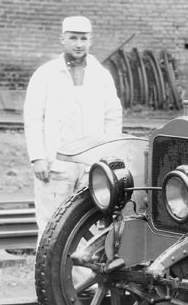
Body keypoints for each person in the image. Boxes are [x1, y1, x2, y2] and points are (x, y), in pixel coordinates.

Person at [24, 16, 122, 240]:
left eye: (84, 38)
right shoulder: (46, 74)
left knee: (87, 225)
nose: (79, 44)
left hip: (90, 165)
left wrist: (106, 157)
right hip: (56, 163)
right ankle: (46, 275)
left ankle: (79, 276)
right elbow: (33, 118)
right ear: (63, 39)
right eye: (73, 38)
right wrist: (38, 157)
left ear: (90, 41)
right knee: (51, 225)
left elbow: (113, 117)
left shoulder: (101, 76)